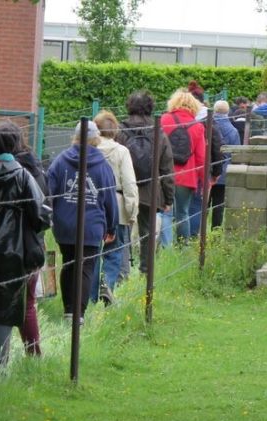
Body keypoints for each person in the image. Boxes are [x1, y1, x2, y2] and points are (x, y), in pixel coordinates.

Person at [0, 122, 48, 372]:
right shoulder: (22, 176)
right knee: (3, 312)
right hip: (12, 255)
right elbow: (41, 217)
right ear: (13, 145)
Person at [48, 121, 118, 323]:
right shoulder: (103, 166)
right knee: (86, 268)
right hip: (92, 225)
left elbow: (49, 192)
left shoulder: (60, 161)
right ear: (96, 139)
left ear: (75, 137)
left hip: (65, 225)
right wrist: (111, 226)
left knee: (69, 264)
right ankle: (79, 314)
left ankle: (68, 310)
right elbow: (109, 199)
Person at [117, 90, 174, 273]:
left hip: (124, 189)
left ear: (129, 106)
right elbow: (166, 168)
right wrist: (169, 198)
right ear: (150, 107)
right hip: (150, 190)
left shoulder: (120, 131)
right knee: (148, 233)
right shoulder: (159, 132)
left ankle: (121, 271)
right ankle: (146, 270)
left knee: (122, 229)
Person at [8, 122, 49, 356]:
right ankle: (33, 352)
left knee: (3, 300)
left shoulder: (13, 172)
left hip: (10, 244)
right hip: (34, 242)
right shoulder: (36, 168)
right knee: (28, 301)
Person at [91, 110, 138, 303]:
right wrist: (132, 211)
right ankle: (107, 286)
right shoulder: (121, 151)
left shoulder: (89, 150)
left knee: (92, 254)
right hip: (117, 207)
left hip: (91, 206)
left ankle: (91, 296)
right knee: (114, 251)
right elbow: (129, 184)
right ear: (115, 130)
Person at [160, 88, 206, 243]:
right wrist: (204, 182)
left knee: (165, 212)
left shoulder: (163, 120)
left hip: (165, 174)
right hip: (187, 176)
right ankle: (183, 245)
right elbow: (201, 158)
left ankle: (166, 248)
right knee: (183, 213)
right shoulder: (198, 126)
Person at [186, 81, 223, 238]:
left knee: (182, 209)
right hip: (203, 170)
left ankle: (182, 237)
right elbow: (217, 147)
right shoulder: (209, 121)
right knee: (198, 206)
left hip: (182, 169)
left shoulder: (182, 118)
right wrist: (216, 172)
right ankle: (194, 237)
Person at [212, 100, 240, 228]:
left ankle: (199, 232)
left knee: (203, 204)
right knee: (219, 205)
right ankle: (216, 230)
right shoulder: (233, 131)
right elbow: (236, 154)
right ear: (228, 112)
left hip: (207, 171)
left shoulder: (207, 126)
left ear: (214, 111)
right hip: (224, 173)